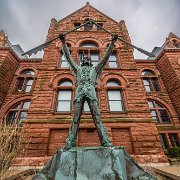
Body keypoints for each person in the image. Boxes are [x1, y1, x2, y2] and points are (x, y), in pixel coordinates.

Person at [59, 33, 118, 149]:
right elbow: (68, 56)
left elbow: (105, 57)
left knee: (97, 117)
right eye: (84, 59)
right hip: (80, 92)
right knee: (75, 118)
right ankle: (70, 141)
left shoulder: (95, 69)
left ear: (91, 63)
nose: (86, 60)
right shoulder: (77, 69)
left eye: (88, 59)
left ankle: (105, 141)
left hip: (91, 93)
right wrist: (64, 43)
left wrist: (112, 43)